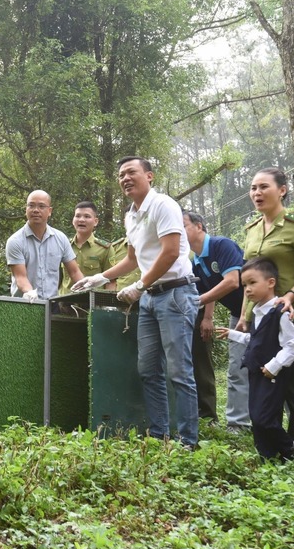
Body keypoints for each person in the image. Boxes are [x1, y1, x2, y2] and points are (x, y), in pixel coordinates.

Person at [72, 157, 199, 448]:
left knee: (179, 370)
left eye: (131, 172)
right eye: (120, 175)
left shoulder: (164, 205)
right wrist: (99, 278)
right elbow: (131, 259)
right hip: (151, 300)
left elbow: (169, 252)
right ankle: (159, 434)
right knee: (148, 370)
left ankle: (188, 440)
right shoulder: (131, 216)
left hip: (176, 294)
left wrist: (140, 285)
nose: (125, 178)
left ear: (149, 176)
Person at [241, 167, 294, 452]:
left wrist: (290, 295)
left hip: (290, 315)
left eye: (263, 187)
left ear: (282, 190)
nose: (257, 193)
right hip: (258, 318)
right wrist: (242, 315)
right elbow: (248, 277)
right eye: (253, 188)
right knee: (263, 377)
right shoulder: (250, 230)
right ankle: (273, 441)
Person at [216, 257, 294, 460]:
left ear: (271, 282)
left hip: (272, 374)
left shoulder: (279, 312)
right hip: (256, 371)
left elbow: (293, 344)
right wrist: (232, 334)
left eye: (252, 283)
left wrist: (274, 365)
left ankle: (292, 447)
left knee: (264, 417)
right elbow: (255, 340)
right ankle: (268, 454)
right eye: (245, 285)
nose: (247, 290)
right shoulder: (257, 312)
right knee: (256, 415)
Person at [182, 211, 250, 431]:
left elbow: (232, 282)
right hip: (236, 315)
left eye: (183, 226)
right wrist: (207, 318)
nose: (179, 232)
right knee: (237, 368)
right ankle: (238, 424)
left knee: (276, 365)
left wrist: (197, 301)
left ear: (199, 226)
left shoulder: (223, 245)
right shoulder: (196, 261)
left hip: (261, 311)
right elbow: (210, 290)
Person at [6, 189, 83, 300]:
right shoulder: (15, 241)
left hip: (52, 303)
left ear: (50, 211)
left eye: (41, 206)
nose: (36, 210)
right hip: (24, 302)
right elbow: (20, 277)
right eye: (31, 206)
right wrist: (31, 293)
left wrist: (88, 291)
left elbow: (75, 272)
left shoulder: (61, 239)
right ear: (26, 209)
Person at [58, 201, 115, 295]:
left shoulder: (105, 248)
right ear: (73, 220)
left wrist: (108, 306)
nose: (81, 220)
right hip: (63, 303)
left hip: (92, 303)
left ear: (95, 221)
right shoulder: (63, 245)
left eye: (87, 216)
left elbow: (111, 281)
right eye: (78, 216)